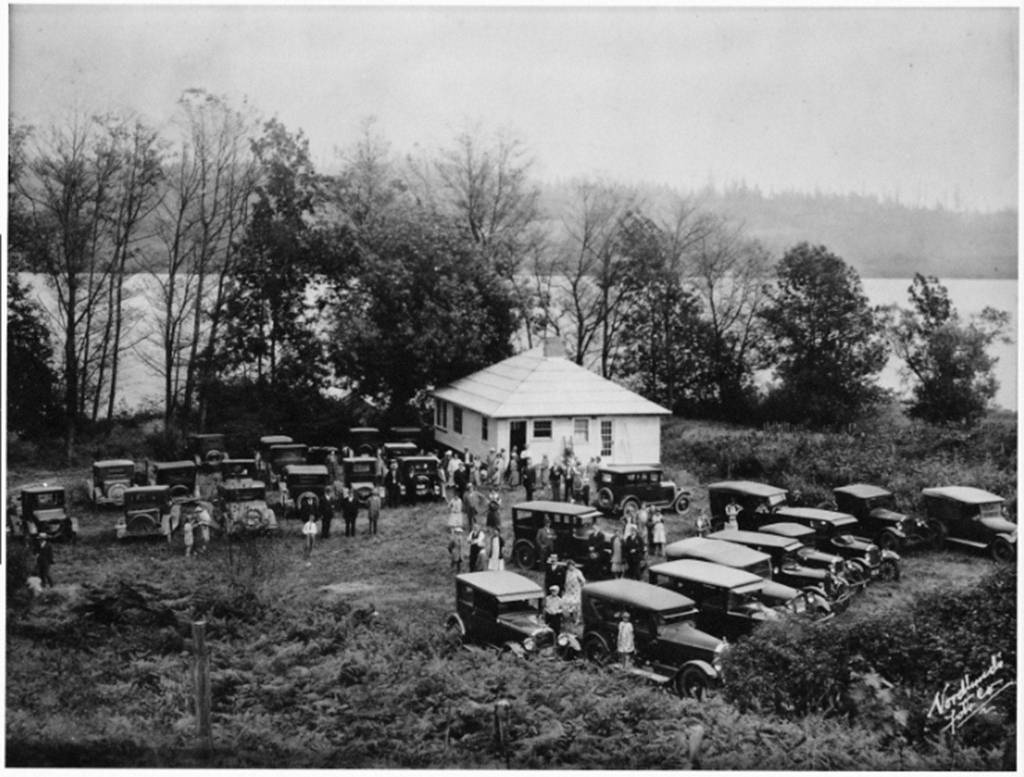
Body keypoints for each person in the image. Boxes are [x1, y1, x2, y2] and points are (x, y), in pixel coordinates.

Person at [562, 559, 586, 628]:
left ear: (574, 565)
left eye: (571, 566)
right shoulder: (567, 572)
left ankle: (577, 619)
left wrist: (580, 586)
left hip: (576, 591)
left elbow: (583, 581)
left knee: (576, 604)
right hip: (568, 590)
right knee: (567, 603)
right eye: (569, 566)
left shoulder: (578, 572)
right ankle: (569, 617)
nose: (570, 567)